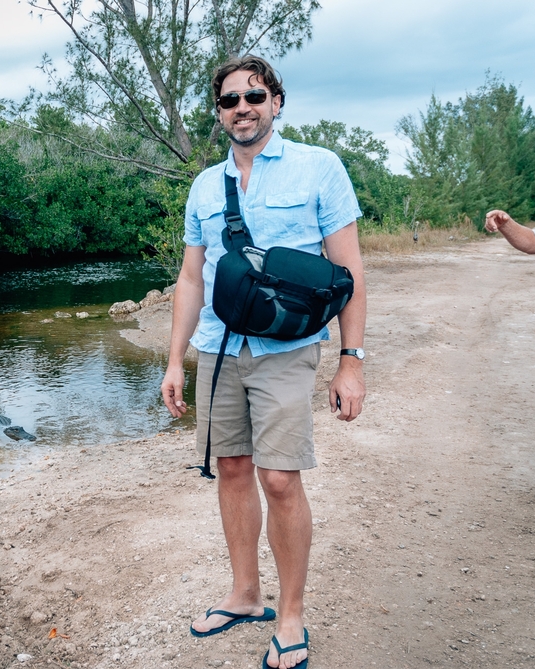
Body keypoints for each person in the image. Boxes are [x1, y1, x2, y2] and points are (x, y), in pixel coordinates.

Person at [160, 55, 367, 669]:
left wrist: (350, 361)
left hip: (287, 351)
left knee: (279, 479)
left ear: (277, 101)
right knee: (230, 469)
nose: (242, 107)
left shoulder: (319, 169)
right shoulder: (204, 186)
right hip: (219, 349)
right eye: (230, 100)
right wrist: (175, 360)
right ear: (218, 112)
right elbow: (192, 278)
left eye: (255, 95)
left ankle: (292, 615)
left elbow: (351, 273)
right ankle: (246, 595)